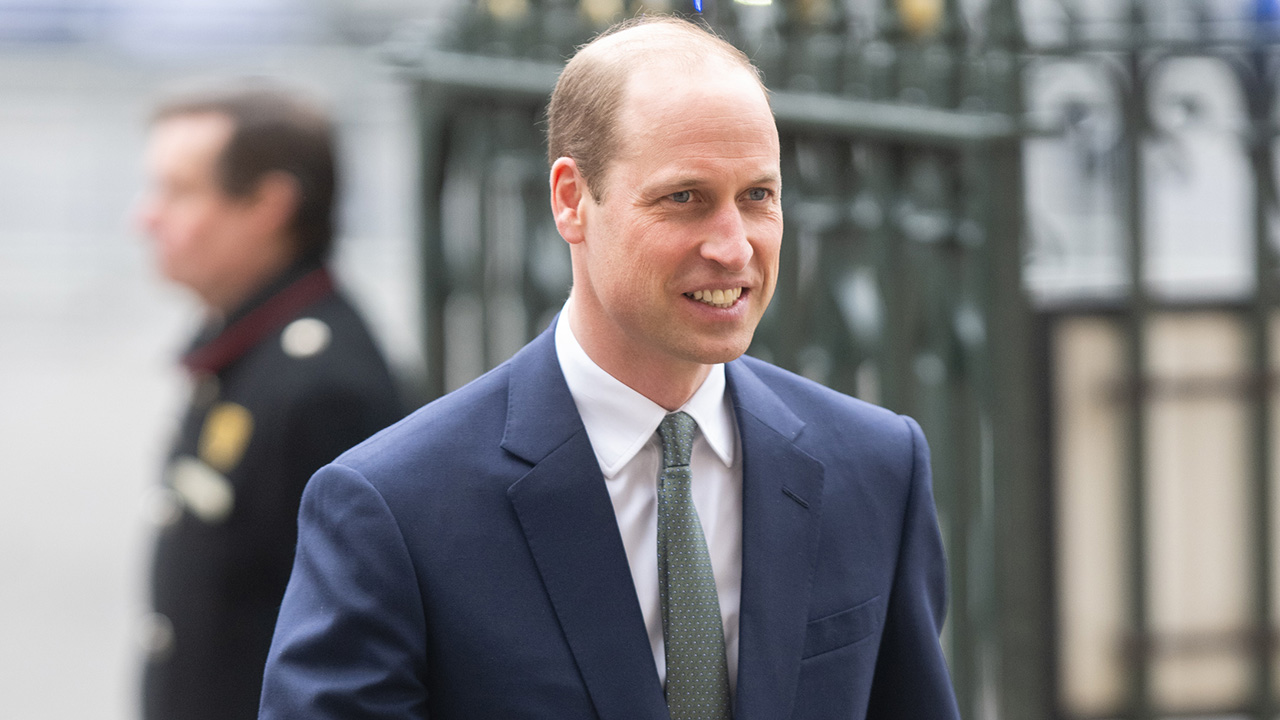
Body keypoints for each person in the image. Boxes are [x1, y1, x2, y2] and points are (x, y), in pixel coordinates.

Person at [260, 16, 960, 720]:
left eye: (758, 196)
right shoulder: (395, 509)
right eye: (684, 197)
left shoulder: (876, 468)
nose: (732, 246)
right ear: (570, 200)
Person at [135, 83, 404, 720]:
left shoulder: (322, 387)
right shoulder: (249, 344)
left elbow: (351, 646)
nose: (145, 217)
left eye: (177, 191)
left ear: (268, 204)